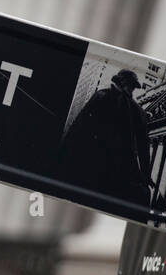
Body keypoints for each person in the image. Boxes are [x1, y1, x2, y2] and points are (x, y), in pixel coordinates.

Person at [59, 68, 157, 212]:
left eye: (132, 87)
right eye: (131, 86)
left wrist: (64, 153)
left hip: (96, 167)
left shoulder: (102, 97)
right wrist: (146, 175)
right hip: (117, 171)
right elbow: (143, 146)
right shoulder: (137, 111)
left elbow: (78, 128)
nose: (131, 90)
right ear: (126, 85)